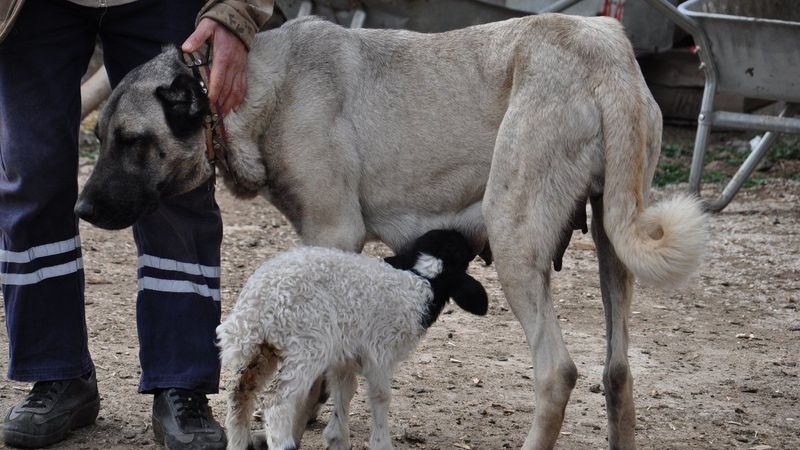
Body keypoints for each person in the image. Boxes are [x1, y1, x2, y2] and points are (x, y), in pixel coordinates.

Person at [0, 0, 273, 448]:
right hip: (28, 10)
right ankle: (56, 375)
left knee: (179, 183)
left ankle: (180, 384)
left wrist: (236, 12)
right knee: (32, 176)